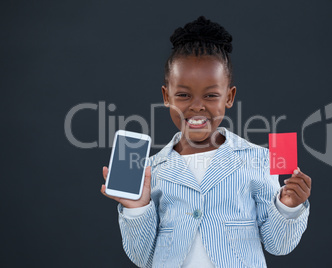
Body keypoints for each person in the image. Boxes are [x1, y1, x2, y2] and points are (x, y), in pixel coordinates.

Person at [101, 15, 312, 268]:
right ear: (166, 96)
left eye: (211, 95)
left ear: (229, 97)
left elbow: (278, 245)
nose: (197, 106)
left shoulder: (258, 159)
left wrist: (288, 208)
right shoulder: (149, 170)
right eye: (183, 95)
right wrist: (137, 208)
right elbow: (143, 257)